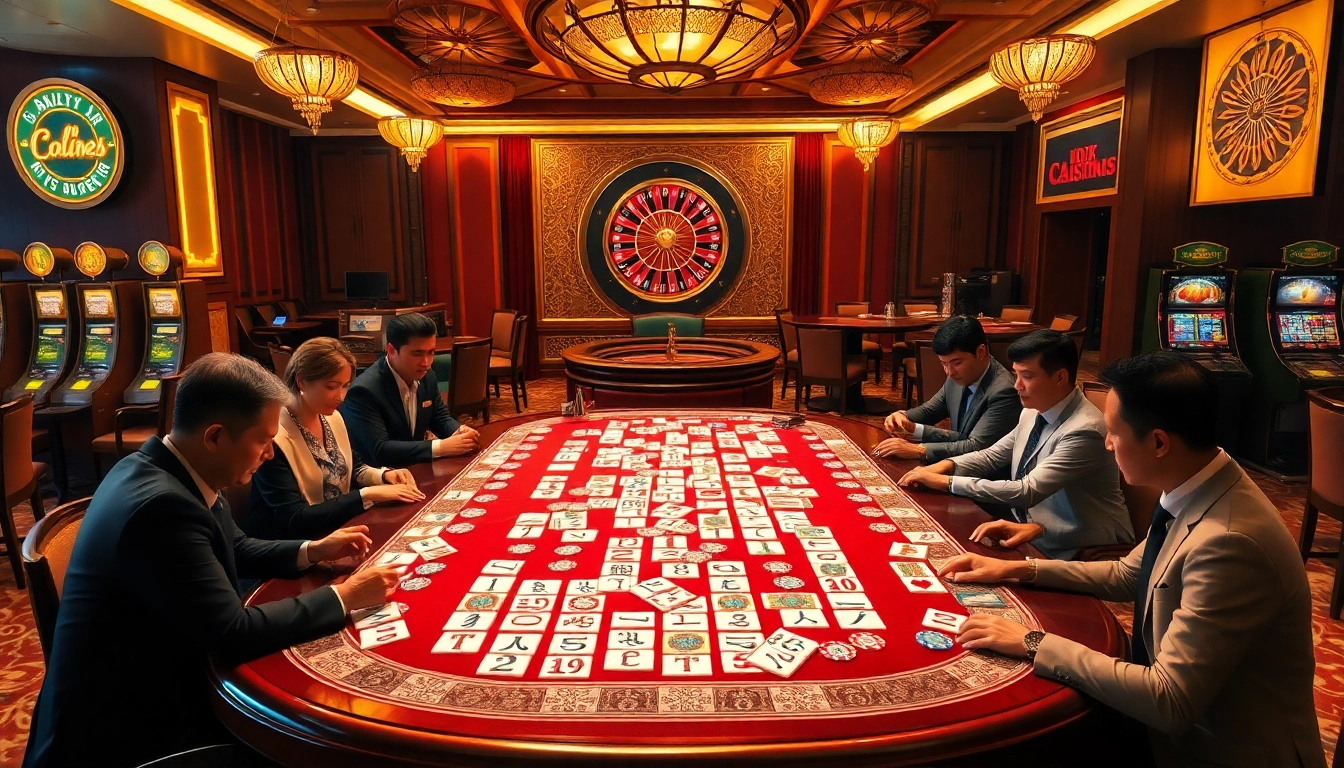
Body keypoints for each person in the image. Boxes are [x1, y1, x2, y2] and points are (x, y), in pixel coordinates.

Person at [939, 352, 1325, 768]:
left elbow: (1168, 699)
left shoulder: (1230, 542)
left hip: (1217, 750)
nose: (1106, 444)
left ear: (1159, 442)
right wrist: (1019, 569)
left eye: (1112, 433)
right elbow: (1129, 573)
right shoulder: (1197, 480)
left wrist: (1032, 642)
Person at [23, 353, 402, 768]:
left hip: (154, 679)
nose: (270, 454)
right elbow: (233, 632)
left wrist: (314, 549)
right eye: (262, 440)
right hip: (128, 732)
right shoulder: (162, 507)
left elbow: (235, 546)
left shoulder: (168, 467)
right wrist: (344, 597)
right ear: (215, 436)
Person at [898, 329, 1132, 559]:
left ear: (1060, 377)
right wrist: (943, 466)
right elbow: (992, 455)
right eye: (1016, 374)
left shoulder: (1084, 429)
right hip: (1034, 525)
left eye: (1027, 377)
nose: (1017, 385)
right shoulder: (1033, 411)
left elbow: (1026, 490)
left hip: (1082, 540)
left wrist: (947, 482)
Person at [245, 338, 425, 541]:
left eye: (345, 386)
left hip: (337, 528)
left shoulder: (331, 416)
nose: (341, 396)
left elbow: (352, 467)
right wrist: (368, 495)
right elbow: (295, 518)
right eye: (332, 387)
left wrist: (383, 476)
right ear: (302, 380)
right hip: (288, 548)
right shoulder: (273, 435)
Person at [340, 312, 480, 467]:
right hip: (379, 479)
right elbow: (380, 449)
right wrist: (441, 447)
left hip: (415, 468)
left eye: (431, 352)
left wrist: (459, 431)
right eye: (417, 353)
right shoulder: (363, 391)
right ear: (392, 350)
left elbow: (439, 417)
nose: (426, 363)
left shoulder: (427, 375)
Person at [875, 316, 1020, 461]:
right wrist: (903, 416)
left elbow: (976, 446)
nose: (949, 372)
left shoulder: (1004, 391)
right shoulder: (958, 377)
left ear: (980, 352)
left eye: (956, 363)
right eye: (944, 364)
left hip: (984, 477)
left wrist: (918, 450)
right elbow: (930, 411)